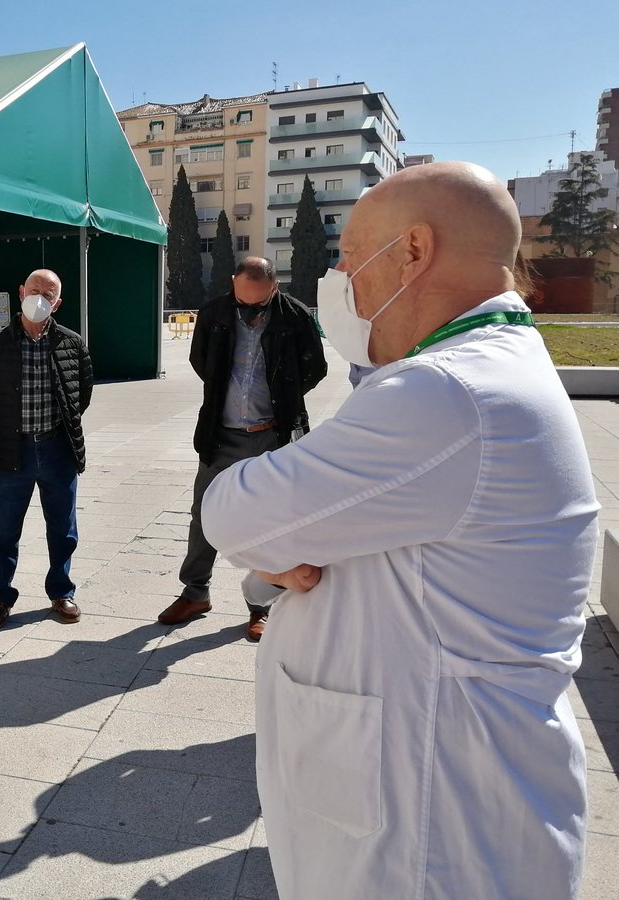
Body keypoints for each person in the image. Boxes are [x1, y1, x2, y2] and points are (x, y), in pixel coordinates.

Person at [201, 162, 599, 900]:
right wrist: (289, 535)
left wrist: (282, 534)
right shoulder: (475, 374)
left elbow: (231, 511)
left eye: (350, 254)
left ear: (413, 250)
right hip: (430, 786)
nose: (341, 276)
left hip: (428, 828)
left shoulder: (446, 393)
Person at [157, 258, 326, 641]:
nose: (250, 309)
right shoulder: (215, 312)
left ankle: (260, 604)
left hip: (272, 438)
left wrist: (282, 401)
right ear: (233, 283)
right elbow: (201, 361)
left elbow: (315, 367)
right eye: (243, 301)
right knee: (204, 514)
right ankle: (195, 592)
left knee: (268, 521)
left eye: (259, 303)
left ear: (274, 288)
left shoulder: (294, 316)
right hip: (221, 434)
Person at [0, 268, 93, 629]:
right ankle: (0, 596)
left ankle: (61, 591)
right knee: (6, 530)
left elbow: (82, 393)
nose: (40, 297)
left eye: (49, 293)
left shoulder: (72, 342)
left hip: (58, 448)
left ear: (58, 303)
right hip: (13, 450)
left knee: (63, 528)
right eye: (35, 289)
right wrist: (12, 424)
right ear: (22, 290)